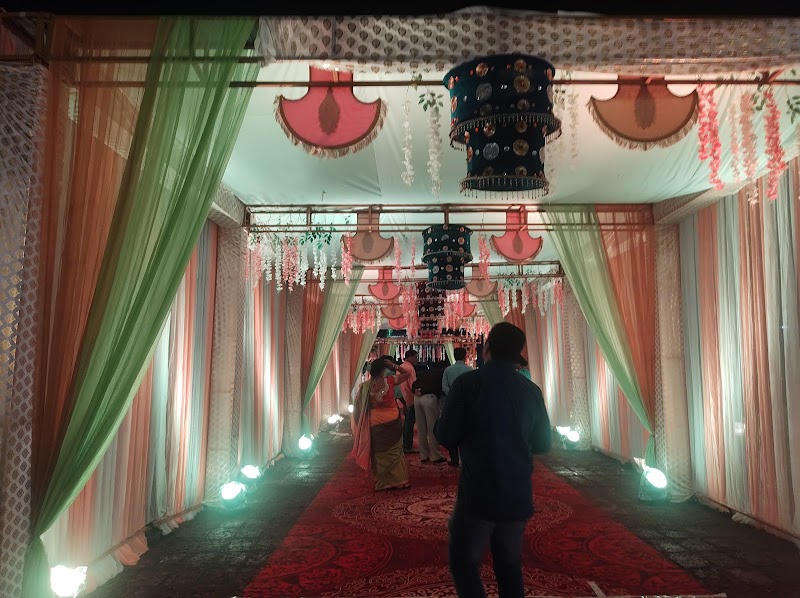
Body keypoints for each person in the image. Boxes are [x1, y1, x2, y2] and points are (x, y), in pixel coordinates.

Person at [436, 322, 552, 598]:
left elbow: (446, 436)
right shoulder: (531, 390)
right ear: (518, 354)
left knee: (464, 562)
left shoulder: (467, 384)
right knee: (509, 565)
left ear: (486, 348)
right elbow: (543, 444)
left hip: (478, 492)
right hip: (517, 492)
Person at [352, 358, 412, 491]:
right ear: (383, 370)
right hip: (393, 422)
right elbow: (407, 374)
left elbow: (358, 407)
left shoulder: (365, 387)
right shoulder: (390, 380)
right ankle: (400, 480)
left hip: (375, 424)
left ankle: (383, 482)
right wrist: (394, 366)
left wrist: (360, 423)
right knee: (396, 451)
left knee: (378, 453)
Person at [441, 348, 472, 467]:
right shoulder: (469, 369)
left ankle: (454, 459)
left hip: (452, 403)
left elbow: (444, 386)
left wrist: (453, 395)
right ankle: (466, 458)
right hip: (467, 403)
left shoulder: (448, 370)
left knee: (453, 430)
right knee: (466, 431)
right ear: (465, 356)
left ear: (454, 356)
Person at [411, 361, 447, 464]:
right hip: (429, 398)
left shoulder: (425, 373)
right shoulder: (442, 374)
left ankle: (423, 455)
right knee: (432, 428)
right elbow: (441, 387)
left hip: (417, 398)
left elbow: (414, 384)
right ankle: (435, 455)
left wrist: (419, 391)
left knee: (421, 428)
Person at [397, 349, 418, 452]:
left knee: (405, 423)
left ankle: (404, 444)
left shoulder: (401, 367)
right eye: (415, 357)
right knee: (409, 423)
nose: (416, 360)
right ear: (410, 357)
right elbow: (413, 384)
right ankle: (407, 445)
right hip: (410, 398)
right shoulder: (410, 368)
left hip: (402, 398)